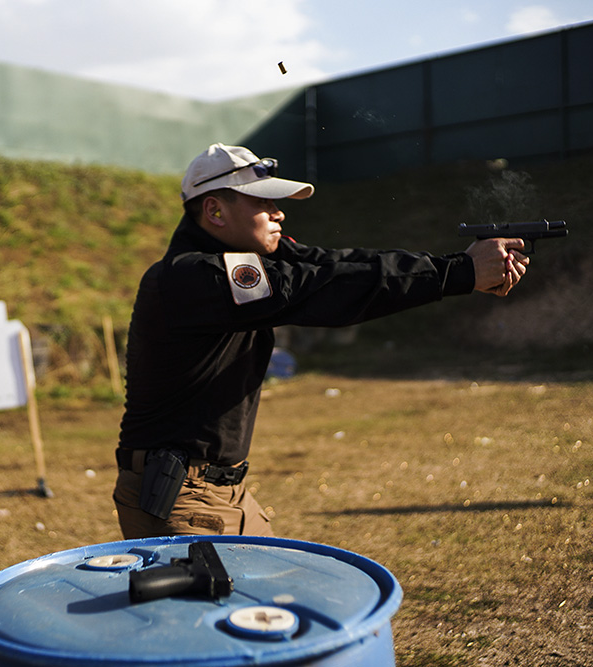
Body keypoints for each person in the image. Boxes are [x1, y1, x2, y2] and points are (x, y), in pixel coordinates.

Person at [113, 143, 529, 539]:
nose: (279, 214)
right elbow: (323, 288)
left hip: (222, 490)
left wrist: (459, 270)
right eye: (262, 202)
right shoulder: (193, 276)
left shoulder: (233, 262)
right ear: (215, 210)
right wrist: (459, 272)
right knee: (223, 613)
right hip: (180, 498)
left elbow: (335, 264)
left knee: (271, 605)